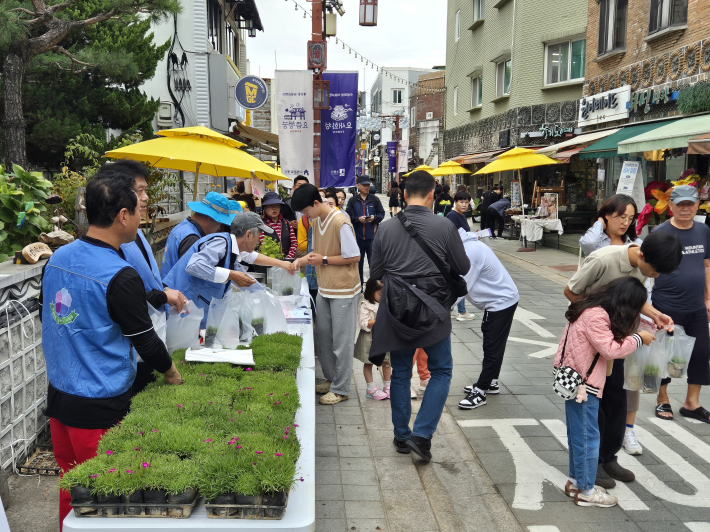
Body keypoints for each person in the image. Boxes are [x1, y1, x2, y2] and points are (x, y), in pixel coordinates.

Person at [40, 168, 183, 530]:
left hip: (59, 399)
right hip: (99, 408)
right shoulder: (119, 273)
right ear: (123, 216)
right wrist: (172, 372)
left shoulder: (56, 259)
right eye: (139, 210)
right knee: (107, 499)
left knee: (73, 488)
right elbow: (146, 341)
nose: (142, 218)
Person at [564, 232, 682, 489]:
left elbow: (634, 300)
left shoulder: (644, 266)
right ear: (641, 255)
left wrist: (656, 314)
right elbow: (570, 291)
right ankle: (591, 465)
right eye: (656, 271)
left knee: (618, 400)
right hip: (595, 347)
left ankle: (609, 458)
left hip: (618, 343)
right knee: (595, 407)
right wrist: (600, 323)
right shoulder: (602, 259)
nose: (656, 276)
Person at [369, 170, 470, 462]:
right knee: (441, 370)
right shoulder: (444, 227)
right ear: (432, 195)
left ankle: (401, 436)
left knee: (401, 372)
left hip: (398, 310)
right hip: (433, 309)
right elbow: (461, 267)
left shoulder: (386, 229)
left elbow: (376, 274)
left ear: (403, 195)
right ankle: (422, 435)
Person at [556, 277, 654, 508]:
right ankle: (587, 491)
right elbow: (610, 350)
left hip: (574, 379)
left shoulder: (588, 308)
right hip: (584, 385)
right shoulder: (597, 316)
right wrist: (639, 338)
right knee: (589, 438)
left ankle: (575, 481)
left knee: (578, 436)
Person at [102, 160, 188, 395]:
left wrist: (164, 293)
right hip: (132, 349)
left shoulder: (135, 232)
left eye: (145, 190)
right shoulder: (112, 245)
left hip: (151, 339)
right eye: (138, 191)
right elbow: (126, 296)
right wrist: (162, 295)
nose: (146, 197)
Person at [577, 194, 644, 455]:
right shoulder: (600, 248)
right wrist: (600, 222)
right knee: (596, 394)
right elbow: (589, 242)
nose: (625, 222)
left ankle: (609, 453)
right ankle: (593, 458)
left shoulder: (635, 245)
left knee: (618, 390)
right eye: (620, 216)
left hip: (624, 326)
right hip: (596, 328)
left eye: (630, 217)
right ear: (606, 215)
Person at [164, 211, 297, 328]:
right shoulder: (221, 242)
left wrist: (271, 299)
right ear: (249, 235)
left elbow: (247, 282)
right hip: (180, 309)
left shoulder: (231, 253)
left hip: (194, 312)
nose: (259, 241)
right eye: (259, 235)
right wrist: (231, 275)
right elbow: (194, 265)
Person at [292, 184, 362, 405]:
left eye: (305, 211)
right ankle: (332, 379)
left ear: (316, 203)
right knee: (323, 335)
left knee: (342, 341)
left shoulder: (340, 222)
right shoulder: (316, 220)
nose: (305, 216)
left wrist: (323, 260)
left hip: (344, 289)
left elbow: (354, 256)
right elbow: (315, 252)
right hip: (325, 286)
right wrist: (300, 261)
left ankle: (341, 388)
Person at [651, 185, 710, 424]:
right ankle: (661, 398)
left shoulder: (704, 230)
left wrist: (707, 298)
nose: (685, 208)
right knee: (664, 355)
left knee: (701, 353)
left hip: (696, 306)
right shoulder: (660, 232)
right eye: (681, 204)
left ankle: (691, 402)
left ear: (697, 205)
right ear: (671, 206)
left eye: (690, 204)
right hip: (666, 305)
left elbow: (706, 265)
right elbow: (649, 269)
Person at [456, 228, 520, 409]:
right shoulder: (465, 247)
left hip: (501, 301)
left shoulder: (470, 252)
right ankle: (491, 381)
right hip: (500, 299)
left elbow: (461, 286)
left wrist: (441, 310)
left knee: (492, 345)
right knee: (493, 342)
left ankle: (481, 391)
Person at [161, 191, 241, 277]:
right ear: (209, 218)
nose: (219, 228)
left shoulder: (183, 227)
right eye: (219, 223)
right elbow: (194, 272)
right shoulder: (192, 238)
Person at [345, 175, 386, 288]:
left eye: (368, 185)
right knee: (358, 264)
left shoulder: (374, 199)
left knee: (374, 264)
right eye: (364, 185)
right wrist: (357, 220)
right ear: (358, 186)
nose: (366, 187)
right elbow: (348, 217)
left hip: (372, 238)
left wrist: (375, 218)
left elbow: (382, 214)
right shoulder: (353, 200)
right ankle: (359, 287)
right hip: (357, 238)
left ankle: (372, 288)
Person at [355, 278, 392, 400]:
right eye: (380, 294)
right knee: (368, 361)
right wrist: (379, 321)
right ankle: (370, 388)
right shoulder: (366, 305)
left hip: (385, 338)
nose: (383, 297)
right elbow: (363, 322)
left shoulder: (388, 304)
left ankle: (388, 385)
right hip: (370, 338)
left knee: (387, 361)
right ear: (371, 292)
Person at [260, 191, 298, 260]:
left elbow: (294, 243)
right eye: (270, 206)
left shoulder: (287, 223)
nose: (274, 208)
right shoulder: (261, 224)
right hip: (268, 263)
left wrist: (287, 259)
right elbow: (261, 245)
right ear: (264, 208)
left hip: (287, 262)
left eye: (277, 205)